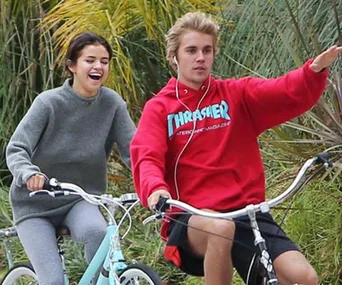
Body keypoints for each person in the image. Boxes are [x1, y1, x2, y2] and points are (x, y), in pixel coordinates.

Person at [130, 12, 342, 285]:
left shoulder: (235, 94)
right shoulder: (160, 108)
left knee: (304, 277)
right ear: (174, 56)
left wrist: (312, 71)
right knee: (221, 227)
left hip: (247, 212)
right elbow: (146, 154)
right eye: (191, 50)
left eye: (207, 50)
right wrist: (155, 189)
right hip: (194, 219)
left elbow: (282, 92)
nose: (200, 58)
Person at [6, 32, 136, 285]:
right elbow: (16, 148)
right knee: (53, 281)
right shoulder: (48, 103)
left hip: (80, 198)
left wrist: (155, 183)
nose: (99, 66)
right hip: (35, 203)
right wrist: (29, 173)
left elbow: (135, 151)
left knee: (97, 232)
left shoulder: (112, 104)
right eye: (90, 60)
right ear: (72, 66)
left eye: (105, 61)